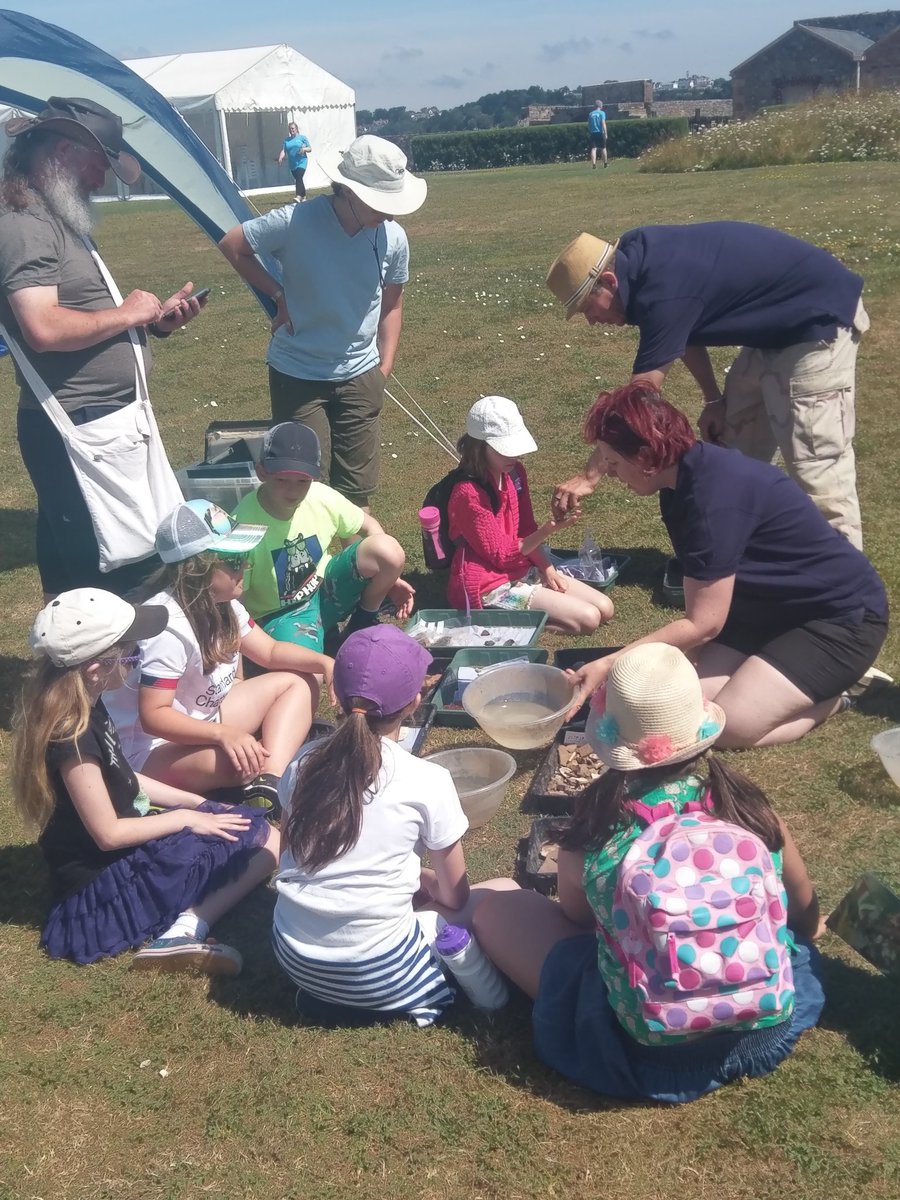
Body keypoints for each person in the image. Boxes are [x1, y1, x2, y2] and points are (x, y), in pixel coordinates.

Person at [473, 643, 825, 1103]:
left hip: (649, 1047)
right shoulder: (750, 811)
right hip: (764, 1024)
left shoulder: (596, 832)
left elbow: (579, 923)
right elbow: (803, 909)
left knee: (494, 910)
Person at [565, 382, 888, 748]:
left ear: (645, 458)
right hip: (764, 610)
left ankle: (840, 694)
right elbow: (705, 609)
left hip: (838, 621)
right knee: (686, 709)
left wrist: (611, 664)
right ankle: (789, 679)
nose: (607, 472)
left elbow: (703, 623)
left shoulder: (710, 502)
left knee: (726, 727)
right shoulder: (681, 478)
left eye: (612, 462)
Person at [546, 223, 870, 547]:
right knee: (732, 447)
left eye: (587, 306)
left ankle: (843, 587)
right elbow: (683, 330)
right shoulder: (638, 261)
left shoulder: (663, 288)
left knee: (816, 466)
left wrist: (589, 478)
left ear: (608, 281)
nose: (590, 320)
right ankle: (742, 559)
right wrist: (714, 400)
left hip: (818, 323)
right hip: (774, 332)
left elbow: (636, 402)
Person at [0, 97, 207, 599]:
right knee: (118, 580)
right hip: (79, 427)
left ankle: (75, 677)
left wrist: (151, 326)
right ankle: (120, 674)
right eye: (99, 164)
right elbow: (43, 327)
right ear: (63, 153)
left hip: (95, 423)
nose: (103, 180)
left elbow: (72, 317)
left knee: (74, 584)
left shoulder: (47, 213)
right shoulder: (26, 223)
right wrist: (129, 314)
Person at [11, 588, 279, 974]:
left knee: (251, 828)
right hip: (99, 892)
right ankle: (184, 930)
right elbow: (109, 834)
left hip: (119, 854)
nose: (137, 662)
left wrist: (195, 803)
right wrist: (186, 819)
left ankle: (184, 920)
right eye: (132, 654)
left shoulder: (89, 702)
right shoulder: (72, 738)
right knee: (265, 840)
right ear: (95, 668)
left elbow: (123, 774)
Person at [272, 624, 517, 1026]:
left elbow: (289, 855)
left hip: (295, 958)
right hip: (381, 970)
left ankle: (331, 999)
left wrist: (410, 878)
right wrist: (423, 880)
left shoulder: (302, 764)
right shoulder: (426, 779)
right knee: (503, 892)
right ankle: (399, 995)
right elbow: (455, 898)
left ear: (334, 695)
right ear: (415, 701)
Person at [218, 135, 427, 509]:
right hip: (297, 376)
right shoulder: (296, 220)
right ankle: (307, 566)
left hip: (361, 377)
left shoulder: (394, 238)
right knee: (300, 487)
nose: (391, 214)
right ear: (348, 191)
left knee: (356, 494)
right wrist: (278, 294)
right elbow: (233, 245)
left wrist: (384, 367)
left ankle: (353, 566)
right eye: (382, 203)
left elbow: (392, 306)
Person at [105, 499, 333, 814]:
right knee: (237, 762)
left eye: (245, 557)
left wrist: (326, 663)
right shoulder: (167, 629)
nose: (246, 567)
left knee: (300, 682)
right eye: (235, 560)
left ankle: (271, 781)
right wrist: (223, 734)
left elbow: (270, 651)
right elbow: (154, 716)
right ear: (198, 570)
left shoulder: (223, 603)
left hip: (206, 719)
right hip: (149, 752)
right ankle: (260, 771)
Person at [231, 420, 414, 652]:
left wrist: (391, 581)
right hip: (279, 613)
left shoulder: (321, 496)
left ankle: (363, 621)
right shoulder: (242, 527)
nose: (293, 490)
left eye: (302, 481)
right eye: (281, 480)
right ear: (261, 473)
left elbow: (369, 526)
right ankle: (312, 639)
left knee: (388, 550)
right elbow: (235, 597)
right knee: (308, 675)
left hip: (326, 590)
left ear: (314, 478)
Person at [446, 396, 614, 634]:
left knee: (605, 608)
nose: (514, 457)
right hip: (490, 583)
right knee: (588, 619)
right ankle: (512, 620)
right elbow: (501, 555)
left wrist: (547, 568)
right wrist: (549, 530)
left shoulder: (515, 473)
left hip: (522, 566)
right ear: (480, 447)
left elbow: (525, 529)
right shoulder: (468, 493)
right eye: (505, 450)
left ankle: (537, 612)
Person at [277, 122, 312, 202]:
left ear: (296, 129)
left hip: (302, 161)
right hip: (292, 163)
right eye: (290, 129)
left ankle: (298, 196)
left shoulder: (302, 138)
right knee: (299, 179)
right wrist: (280, 157)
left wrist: (304, 149)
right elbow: (284, 150)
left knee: (299, 177)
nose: (291, 130)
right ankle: (304, 196)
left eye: (293, 128)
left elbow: (310, 148)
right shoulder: (287, 140)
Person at [588, 101, 608, 168]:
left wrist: (591, 131)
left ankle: (594, 164)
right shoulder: (602, 113)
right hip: (600, 132)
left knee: (593, 149)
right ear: (600, 106)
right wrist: (605, 133)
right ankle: (605, 163)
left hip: (593, 132)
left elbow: (589, 124)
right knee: (603, 148)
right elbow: (603, 123)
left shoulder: (591, 114)